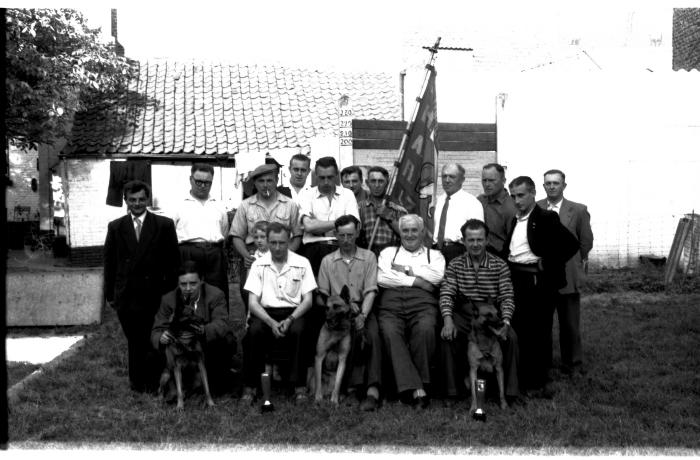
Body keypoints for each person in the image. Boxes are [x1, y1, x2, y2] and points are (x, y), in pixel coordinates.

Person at [505, 176, 578, 398]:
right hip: (515, 278)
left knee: (538, 331)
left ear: (533, 193)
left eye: (521, 195)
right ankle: (520, 377)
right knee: (519, 328)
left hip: (537, 281)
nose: (517, 201)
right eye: (513, 196)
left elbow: (570, 244)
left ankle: (537, 381)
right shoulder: (514, 220)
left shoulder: (546, 217)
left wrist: (548, 261)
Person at [104, 180, 180, 393]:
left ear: (148, 199)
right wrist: (110, 294)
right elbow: (110, 264)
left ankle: (158, 381)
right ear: (126, 201)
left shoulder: (163, 225)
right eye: (132, 200)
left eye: (141, 199)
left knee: (153, 337)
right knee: (135, 340)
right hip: (127, 296)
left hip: (155, 294)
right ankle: (137, 383)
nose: (137, 204)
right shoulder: (116, 227)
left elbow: (174, 263)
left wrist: (171, 293)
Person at [439, 219, 520, 403]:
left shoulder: (499, 265)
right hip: (465, 312)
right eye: (471, 240)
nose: (475, 244)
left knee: (511, 338)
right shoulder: (455, 264)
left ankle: (510, 393)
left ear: (487, 240)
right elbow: (447, 293)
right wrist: (448, 319)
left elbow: (507, 296)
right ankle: (453, 391)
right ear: (464, 241)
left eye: (479, 239)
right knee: (447, 336)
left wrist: (506, 321)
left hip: (491, 314)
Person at [241, 222, 317, 403]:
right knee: (254, 331)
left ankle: (299, 387)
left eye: (282, 243)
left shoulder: (302, 262)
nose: (277, 247)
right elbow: (252, 303)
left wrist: (290, 319)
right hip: (266, 313)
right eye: (273, 242)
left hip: (294, 312)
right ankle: (250, 387)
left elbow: (308, 301)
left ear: (289, 240)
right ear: (267, 241)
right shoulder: (258, 265)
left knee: (300, 330)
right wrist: (271, 323)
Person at [376, 214, 445, 407]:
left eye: (414, 230)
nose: (409, 234)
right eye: (405, 230)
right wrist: (417, 280)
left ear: (423, 232)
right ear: (400, 233)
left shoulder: (435, 255)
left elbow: (437, 276)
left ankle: (413, 386)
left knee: (425, 329)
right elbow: (382, 277)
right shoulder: (388, 253)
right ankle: (418, 389)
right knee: (390, 333)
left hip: (422, 303)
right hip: (391, 302)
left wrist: (403, 270)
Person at [316, 215, 381, 411]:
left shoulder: (369, 257)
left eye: (350, 235)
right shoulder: (328, 261)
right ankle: (351, 389)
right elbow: (323, 294)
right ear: (335, 235)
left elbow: (370, 290)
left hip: (363, 307)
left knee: (373, 336)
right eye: (342, 235)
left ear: (357, 233)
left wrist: (362, 314)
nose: (346, 240)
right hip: (337, 310)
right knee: (349, 339)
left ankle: (372, 390)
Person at [537, 169, 593, 376]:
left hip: (568, 274)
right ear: (543, 186)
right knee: (542, 323)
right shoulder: (537, 208)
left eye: (556, 183)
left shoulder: (578, 210)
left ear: (564, 186)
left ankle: (573, 363)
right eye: (548, 183)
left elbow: (585, 241)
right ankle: (544, 364)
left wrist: (574, 262)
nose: (551, 186)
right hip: (543, 274)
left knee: (569, 323)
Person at [151, 260, 236, 394]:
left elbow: (222, 323)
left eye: (193, 283)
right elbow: (156, 330)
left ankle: (217, 377)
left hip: (206, 347)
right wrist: (161, 337)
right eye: (183, 284)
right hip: (179, 350)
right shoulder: (168, 299)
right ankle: (178, 382)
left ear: (201, 281)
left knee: (228, 340)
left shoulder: (215, 294)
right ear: (178, 283)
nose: (188, 288)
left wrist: (204, 330)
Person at [229, 163, 302, 315]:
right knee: (250, 294)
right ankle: (251, 326)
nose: (265, 185)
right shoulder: (245, 205)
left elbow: (297, 235)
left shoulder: (290, 205)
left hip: (282, 255)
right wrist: (245, 256)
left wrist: (287, 254)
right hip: (254, 256)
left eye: (269, 180)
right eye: (261, 181)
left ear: (276, 181)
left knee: (282, 296)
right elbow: (236, 235)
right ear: (255, 183)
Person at [172, 163, 230, 301]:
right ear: (190, 179)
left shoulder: (219, 205)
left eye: (207, 182)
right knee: (188, 292)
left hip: (214, 254)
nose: (203, 186)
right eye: (199, 181)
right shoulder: (178, 204)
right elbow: (170, 234)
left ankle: (217, 321)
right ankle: (188, 321)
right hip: (187, 254)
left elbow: (224, 231)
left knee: (217, 293)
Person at [298, 156, 360, 276]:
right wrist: (341, 223)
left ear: (337, 174)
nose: (326, 182)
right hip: (314, 250)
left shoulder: (347, 194)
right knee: (317, 291)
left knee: (343, 291)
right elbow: (309, 227)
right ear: (316, 175)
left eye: (330, 177)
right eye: (322, 178)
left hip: (342, 248)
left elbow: (353, 226)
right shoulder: (306, 194)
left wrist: (318, 225)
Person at [432, 163, 484, 265]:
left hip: (459, 252)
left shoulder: (472, 202)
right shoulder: (437, 201)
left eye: (452, 177)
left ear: (462, 180)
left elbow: (478, 232)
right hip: (435, 251)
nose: (447, 180)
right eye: (444, 176)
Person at [357, 166, 407, 257]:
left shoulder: (398, 209)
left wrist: (389, 217)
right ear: (367, 183)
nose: (377, 185)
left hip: (392, 256)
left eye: (380, 181)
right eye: (373, 181)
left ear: (387, 183)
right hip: (368, 255)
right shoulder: (359, 208)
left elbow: (407, 235)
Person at [477, 163, 517, 260]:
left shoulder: (511, 207)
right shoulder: (479, 201)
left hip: (499, 259)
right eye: (484, 180)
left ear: (503, 181)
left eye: (491, 180)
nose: (487, 184)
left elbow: (513, 242)